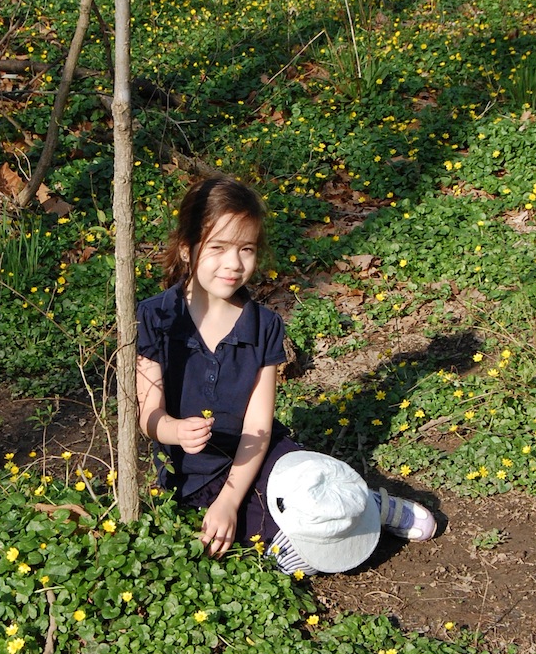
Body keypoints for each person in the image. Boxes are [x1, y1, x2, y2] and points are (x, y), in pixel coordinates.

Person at [136, 175, 436, 575]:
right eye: (218, 248)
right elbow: (148, 415)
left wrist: (229, 500)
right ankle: (337, 523)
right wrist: (174, 431)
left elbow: (258, 426)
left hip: (258, 454)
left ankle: (367, 504)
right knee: (282, 557)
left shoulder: (263, 325)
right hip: (192, 473)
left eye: (246, 249)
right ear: (188, 249)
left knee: (312, 490)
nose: (233, 264)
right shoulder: (155, 316)